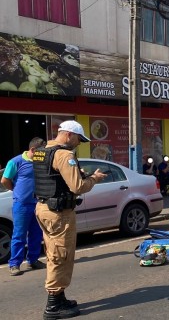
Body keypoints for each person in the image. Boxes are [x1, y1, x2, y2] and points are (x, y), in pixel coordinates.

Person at [33, 120, 107, 319]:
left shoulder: (42, 151)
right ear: (68, 135)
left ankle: (60, 297)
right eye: (79, 139)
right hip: (59, 213)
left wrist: (81, 174)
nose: (79, 144)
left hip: (43, 208)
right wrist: (94, 179)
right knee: (61, 256)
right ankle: (53, 305)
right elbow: (77, 187)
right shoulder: (65, 155)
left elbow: (53, 177)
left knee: (53, 253)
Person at [1, 137, 47, 276]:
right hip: (22, 204)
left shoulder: (40, 162)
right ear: (33, 150)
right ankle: (14, 264)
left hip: (37, 203)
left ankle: (33, 260)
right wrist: (17, 191)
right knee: (19, 234)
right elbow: (4, 180)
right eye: (41, 151)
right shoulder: (15, 162)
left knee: (36, 233)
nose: (43, 154)